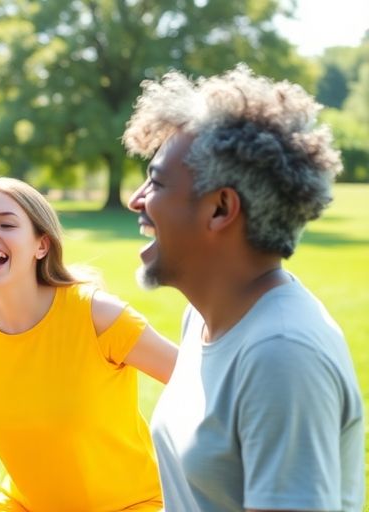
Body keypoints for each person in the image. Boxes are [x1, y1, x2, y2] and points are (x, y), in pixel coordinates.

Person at [124, 65, 364, 511]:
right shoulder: (203, 318)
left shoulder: (282, 354)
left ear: (220, 208)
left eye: (156, 182)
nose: (135, 200)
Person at [0, 177, 178, 512]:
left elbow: (198, 384)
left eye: (7, 224)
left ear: (42, 245)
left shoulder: (98, 314)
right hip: (25, 506)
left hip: (132, 506)